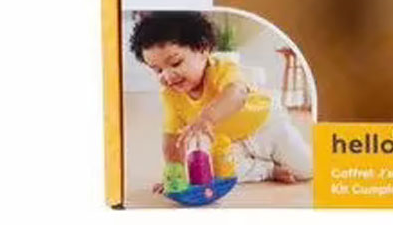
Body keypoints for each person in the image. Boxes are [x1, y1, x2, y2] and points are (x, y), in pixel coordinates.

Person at [129, 11, 312, 187]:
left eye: (176, 63)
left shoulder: (222, 69)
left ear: (203, 49)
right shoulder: (170, 95)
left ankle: (277, 155)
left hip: (266, 127)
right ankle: (267, 170)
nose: (167, 76)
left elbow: (236, 95)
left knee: (306, 169)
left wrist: (206, 119)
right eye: (158, 70)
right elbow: (172, 140)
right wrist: (174, 175)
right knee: (215, 172)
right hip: (231, 144)